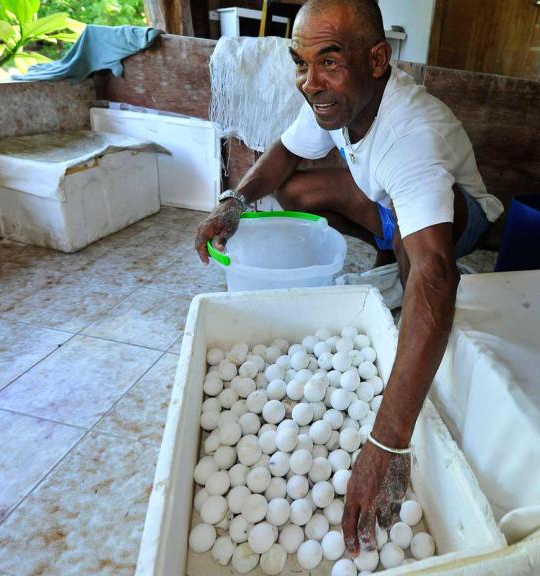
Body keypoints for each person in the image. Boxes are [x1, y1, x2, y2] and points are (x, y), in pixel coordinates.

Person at [194, 0, 503, 556]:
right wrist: (234, 202)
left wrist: (386, 441)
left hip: (463, 217)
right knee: (294, 190)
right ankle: (394, 252)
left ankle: (400, 266)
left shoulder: (410, 131)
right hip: (389, 202)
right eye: (300, 62)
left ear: (378, 60)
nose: (310, 83)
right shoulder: (331, 102)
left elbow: (437, 277)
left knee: (421, 266)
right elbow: (285, 155)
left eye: (329, 62)